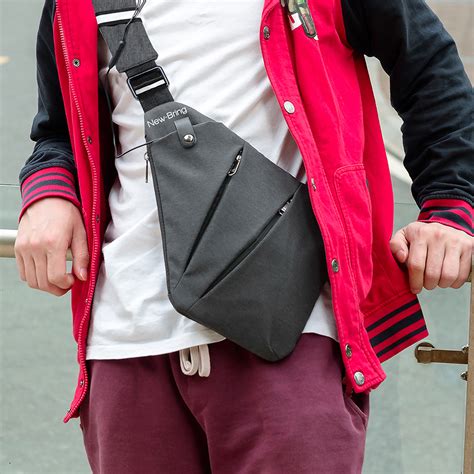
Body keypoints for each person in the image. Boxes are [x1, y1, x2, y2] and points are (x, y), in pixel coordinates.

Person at [14, 0, 472, 472]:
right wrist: (50, 194)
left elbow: (429, 67)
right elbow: (57, 131)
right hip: (126, 339)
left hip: (292, 329)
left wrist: (451, 206)